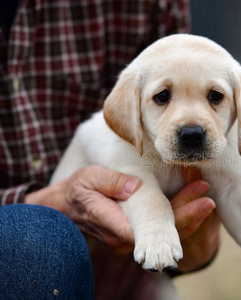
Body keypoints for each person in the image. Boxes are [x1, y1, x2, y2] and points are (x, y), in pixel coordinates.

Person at [0, 1, 221, 299]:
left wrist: (193, 234)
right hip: (37, 254)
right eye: (163, 96)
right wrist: (45, 205)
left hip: (130, 275)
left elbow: (197, 245)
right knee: (38, 240)